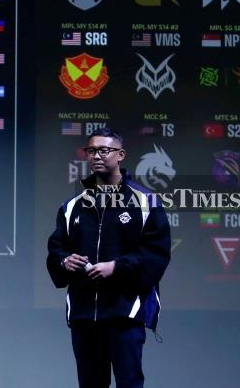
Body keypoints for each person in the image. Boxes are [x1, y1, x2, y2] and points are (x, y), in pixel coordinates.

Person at [47, 128, 171, 388]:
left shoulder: (145, 202)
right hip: (83, 317)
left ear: (121, 155)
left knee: (130, 383)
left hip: (124, 314)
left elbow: (156, 253)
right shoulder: (72, 207)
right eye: (91, 151)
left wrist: (117, 267)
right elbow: (57, 249)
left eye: (104, 150)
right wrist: (64, 261)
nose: (97, 156)